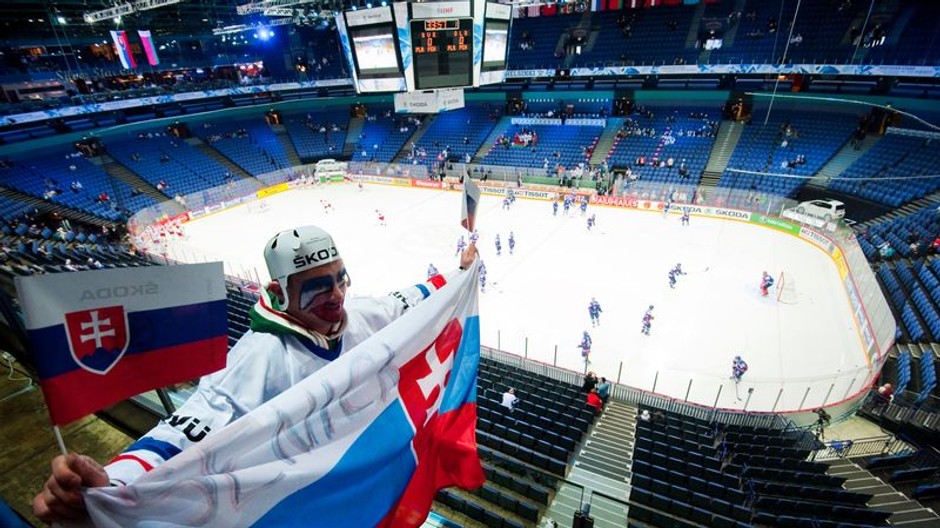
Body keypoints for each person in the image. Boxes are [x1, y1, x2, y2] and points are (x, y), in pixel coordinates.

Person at [32, 225, 478, 524]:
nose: (337, 294)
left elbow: (405, 300)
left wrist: (457, 275)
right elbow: (188, 428)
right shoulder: (258, 357)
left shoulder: (360, 315)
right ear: (277, 293)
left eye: (341, 278)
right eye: (319, 285)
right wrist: (114, 481)